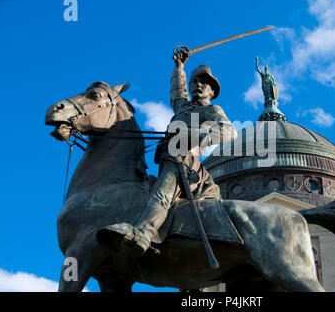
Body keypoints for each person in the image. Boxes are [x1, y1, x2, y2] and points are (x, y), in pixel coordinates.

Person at [97, 48, 237, 257]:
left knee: (163, 192)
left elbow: (229, 132)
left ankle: (143, 233)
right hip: (168, 158)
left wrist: (193, 135)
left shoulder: (211, 110)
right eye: (194, 82)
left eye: (203, 83)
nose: (198, 85)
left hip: (185, 162)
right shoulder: (184, 107)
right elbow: (177, 92)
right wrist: (179, 67)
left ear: (212, 91)